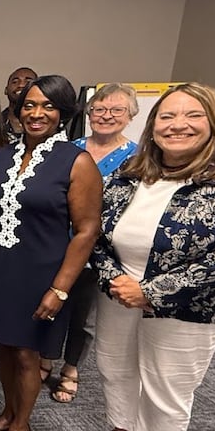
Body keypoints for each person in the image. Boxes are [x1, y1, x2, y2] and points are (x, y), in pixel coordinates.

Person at [93, 83, 215, 431]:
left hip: (192, 304)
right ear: (153, 124)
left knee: (163, 392)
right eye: (167, 116)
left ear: (214, 121)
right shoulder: (132, 169)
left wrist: (152, 292)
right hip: (120, 293)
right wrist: (113, 277)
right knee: (115, 372)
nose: (178, 124)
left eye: (194, 115)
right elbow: (95, 231)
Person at [0, 74, 102, 431]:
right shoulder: (5, 156)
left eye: (48, 106)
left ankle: (22, 423)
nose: (36, 113)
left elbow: (87, 230)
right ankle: (8, 411)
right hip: (2, 268)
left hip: (43, 273)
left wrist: (59, 289)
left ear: (62, 112)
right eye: (29, 105)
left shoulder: (77, 161)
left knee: (26, 353)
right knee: (3, 345)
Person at [41, 82, 140, 404]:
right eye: (99, 109)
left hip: (102, 251)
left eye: (116, 110)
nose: (106, 116)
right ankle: (46, 359)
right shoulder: (69, 149)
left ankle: (71, 368)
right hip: (59, 243)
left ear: (130, 116)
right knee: (53, 303)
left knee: (83, 314)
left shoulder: (138, 159)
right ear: (88, 113)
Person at [1, 67, 38, 144]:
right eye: (15, 82)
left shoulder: (46, 122)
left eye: (28, 82)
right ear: (6, 90)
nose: (21, 85)